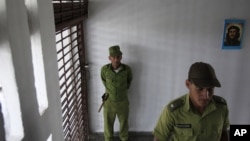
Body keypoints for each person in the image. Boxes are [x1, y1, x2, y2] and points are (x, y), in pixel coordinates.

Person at [153, 62, 230, 141]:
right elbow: (159, 138)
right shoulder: (173, 111)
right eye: (200, 89)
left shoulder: (221, 108)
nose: (206, 95)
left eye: (210, 89)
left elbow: (223, 133)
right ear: (188, 84)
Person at [101, 45, 133, 141]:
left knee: (124, 122)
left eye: (118, 57)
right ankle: (108, 139)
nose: (116, 59)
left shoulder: (127, 69)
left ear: (121, 57)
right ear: (109, 58)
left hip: (122, 102)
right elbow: (104, 81)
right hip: (108, 102)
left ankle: (124, 138)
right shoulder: (104, 69)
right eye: (113, 57)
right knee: (108, 123)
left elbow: (129, 82)